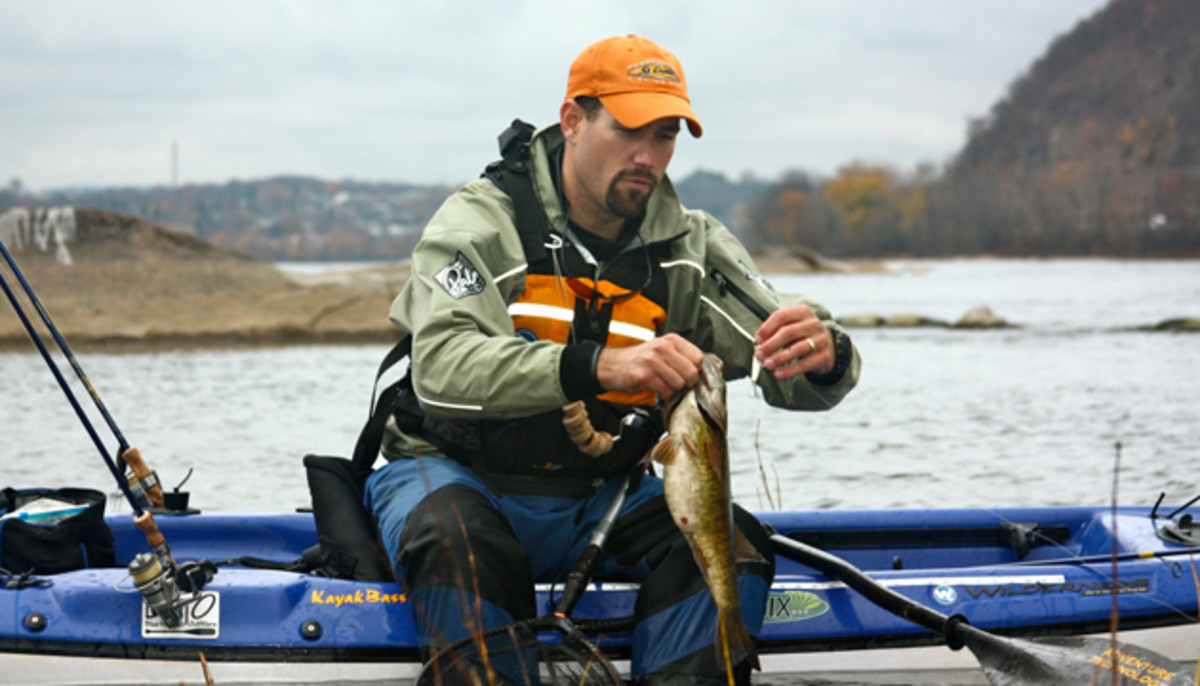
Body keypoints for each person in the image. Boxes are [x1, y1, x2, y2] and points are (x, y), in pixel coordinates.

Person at [365, 34, 860, 685]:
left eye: (664, 136)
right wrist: (598, 366)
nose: (648, 157)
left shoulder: (693, 246)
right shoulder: (479, 223)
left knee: (734, 548)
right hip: (451, 475)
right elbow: (444, 372)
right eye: (629, 130)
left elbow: (784, 358)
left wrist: (823, 354)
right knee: (461, 540)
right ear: (573, 120)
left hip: (604, 498)